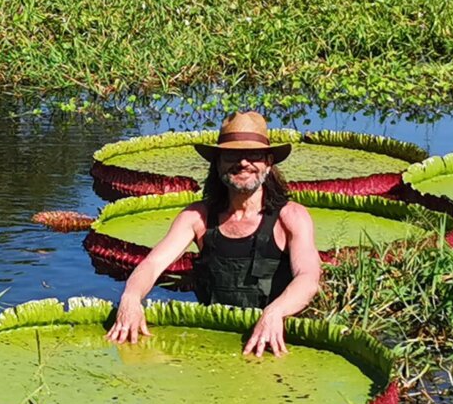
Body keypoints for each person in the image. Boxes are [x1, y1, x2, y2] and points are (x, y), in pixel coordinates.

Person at [106, 112, 322, 356]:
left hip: (273, 341)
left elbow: (308, 278)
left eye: (254, 155)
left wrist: (275, 312)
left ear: (269, 162)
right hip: (210, 342)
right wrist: (131, 298)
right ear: (218, 163)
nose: (243, 163)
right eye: (231, 155)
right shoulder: (197, 217)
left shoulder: (291, 217)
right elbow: (152, 265)